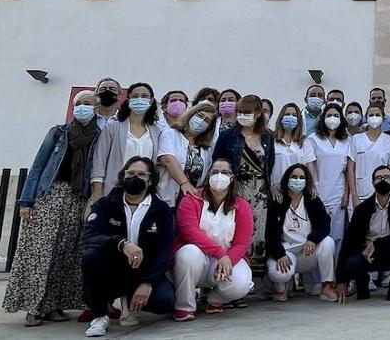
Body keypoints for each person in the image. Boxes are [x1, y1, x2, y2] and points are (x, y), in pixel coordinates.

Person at [3, 90, 101, 328]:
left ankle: (54, 306)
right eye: (79, 103)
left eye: (88, 103)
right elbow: (38, 166)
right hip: (50, 194)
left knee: (66, 253)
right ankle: (33, 308)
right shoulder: (59, 133)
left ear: (96, 107)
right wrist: (26, 201)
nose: (83, 107)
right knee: (40, 252)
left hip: (78, 197)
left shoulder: (99, 136)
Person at [81, 157, 175, 337]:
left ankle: (130, 300)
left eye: (141, 174)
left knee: (165, 302)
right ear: (122, 176)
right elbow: (89, 236)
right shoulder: (106, 205)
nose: (134, 178)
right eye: (130, 173)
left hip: (143, 271)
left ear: (150, 180)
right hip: (113, 268)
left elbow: (165, 251)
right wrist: (121, 243)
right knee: (91, 256)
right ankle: (99, 316)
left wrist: (148, 282)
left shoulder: (161, 209)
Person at [170, 159, 254, 319]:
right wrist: (219, 253)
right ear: (208, 176)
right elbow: (189, 232)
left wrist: (228, 259)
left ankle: (215, 300)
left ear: (232, 177)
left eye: (225, 172)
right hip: (197, 258)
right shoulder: (191, 199)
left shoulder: (242, 206)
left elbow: (242, 243)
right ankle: (184, 306)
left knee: (242, 283)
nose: (219, 176)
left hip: (224, 259)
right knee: (188, 253)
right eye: (215, 172)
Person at [212, 94, 276, 271]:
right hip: (236, 188)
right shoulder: (228, 136)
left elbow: (270, 164)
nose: (242, 115)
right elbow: (218, 160)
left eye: (247, 112)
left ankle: (254, 273)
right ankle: (231, 266)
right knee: (234, 228)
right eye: (240, 112)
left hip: (260, 192)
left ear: (257, 113)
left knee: (257, 230)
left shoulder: (267, 137)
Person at [334, 165, 390, 302]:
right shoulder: (362, 209)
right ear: (373, 182)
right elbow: (348, 243)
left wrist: (377, 244)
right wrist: (341, 281)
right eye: (379, 178)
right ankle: (362, 284)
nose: (383, 180)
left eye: (387, 177)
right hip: (367, 255)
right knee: (352, 261)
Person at [264, 163, 337, 302]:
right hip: (286, 251)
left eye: (301, 177)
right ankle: (282, 287)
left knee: (328, 242)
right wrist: (279, 254)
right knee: (278, 273)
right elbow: (270, 233)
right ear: (287, 178)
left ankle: (327, 286)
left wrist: (313, 239)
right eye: (294, 177)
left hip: (307, 251)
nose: (297, 180)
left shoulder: (312, 199)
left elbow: (324, 224)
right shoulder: (278, 200)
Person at [91, 82, 164, 202]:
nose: (139, 99)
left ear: (151, 101)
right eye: (135, 96)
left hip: (143, 193)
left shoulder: (157, 131)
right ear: (129, 100)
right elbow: (99, 163)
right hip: (113, 191)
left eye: (144, 96)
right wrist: (97, 196)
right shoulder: (113, 127)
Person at [310, 102, 356, 254]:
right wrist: (311, 189)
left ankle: (334, 269)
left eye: (336, 115)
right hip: (318, 193)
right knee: (319, 235)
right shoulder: (313, 139)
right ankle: (316, 270)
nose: (332, 118)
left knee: (337, 237)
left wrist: (346, 193)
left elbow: (348, 169)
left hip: (338, 194)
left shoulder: (347, 140)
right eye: (329, 115)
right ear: (323, 118)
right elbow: (309, 166)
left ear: (341, 119)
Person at [157, 100, 216, 207]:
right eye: (200, 116)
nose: (201, 121)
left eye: (207, 121)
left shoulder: (206, 149)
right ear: (190, 114)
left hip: (190, 201)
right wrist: (184, 183)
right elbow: (167, 160)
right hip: (166, 198)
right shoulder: (170, 134)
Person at [351, 103, 390, 202]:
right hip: (360, 194)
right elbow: (350, 169)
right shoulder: (356, 139)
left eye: (377, 115)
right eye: (371, 115)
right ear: (366, 118)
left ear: (383, 118)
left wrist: (389, 191)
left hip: (382, 194)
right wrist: (354, 195)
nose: (374, 117)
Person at [271, 102, 317, 199]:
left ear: (299, 120)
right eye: (287, 114)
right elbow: (265, 167)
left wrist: (311, 186)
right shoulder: (272, 140)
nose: (290, 117)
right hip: (277, 192)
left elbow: (309, 166)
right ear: (281, 118)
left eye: (294, 115)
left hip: (298, 191)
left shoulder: (305, 142)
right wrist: (271, 186)